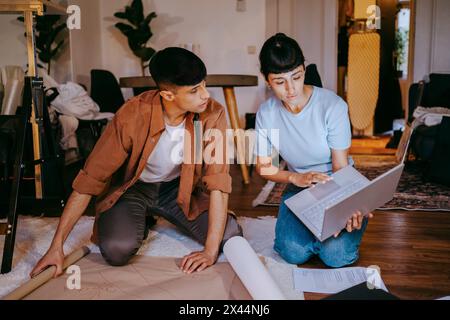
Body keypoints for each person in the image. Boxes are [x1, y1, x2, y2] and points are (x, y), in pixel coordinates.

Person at [31, 47, 242, 278]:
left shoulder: (213, 113)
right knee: (116, 251)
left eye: (204, 84)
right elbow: (90, 179)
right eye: (194, 90)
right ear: (168, 95)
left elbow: (218, 181)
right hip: (133, 189)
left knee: (228, 235)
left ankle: (149, 217)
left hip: (180, 189)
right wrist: (56, 247)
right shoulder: (132, 114)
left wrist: (210, 252)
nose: (205, 95)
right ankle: (141, 217)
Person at [255, 33, 373, 268]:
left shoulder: (332, 106)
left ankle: (327, 235)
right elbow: (264, 167)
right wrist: (295, 178)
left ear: (304, 70)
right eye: (279, 82)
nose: (290, 89)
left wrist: (349, 205)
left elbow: (340, 166)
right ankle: (314, 233)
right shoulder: (266, 113)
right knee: (292, 253)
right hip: (301, 185)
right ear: (267, 81)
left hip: (339, 182)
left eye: (296, 77)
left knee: (335, 257)